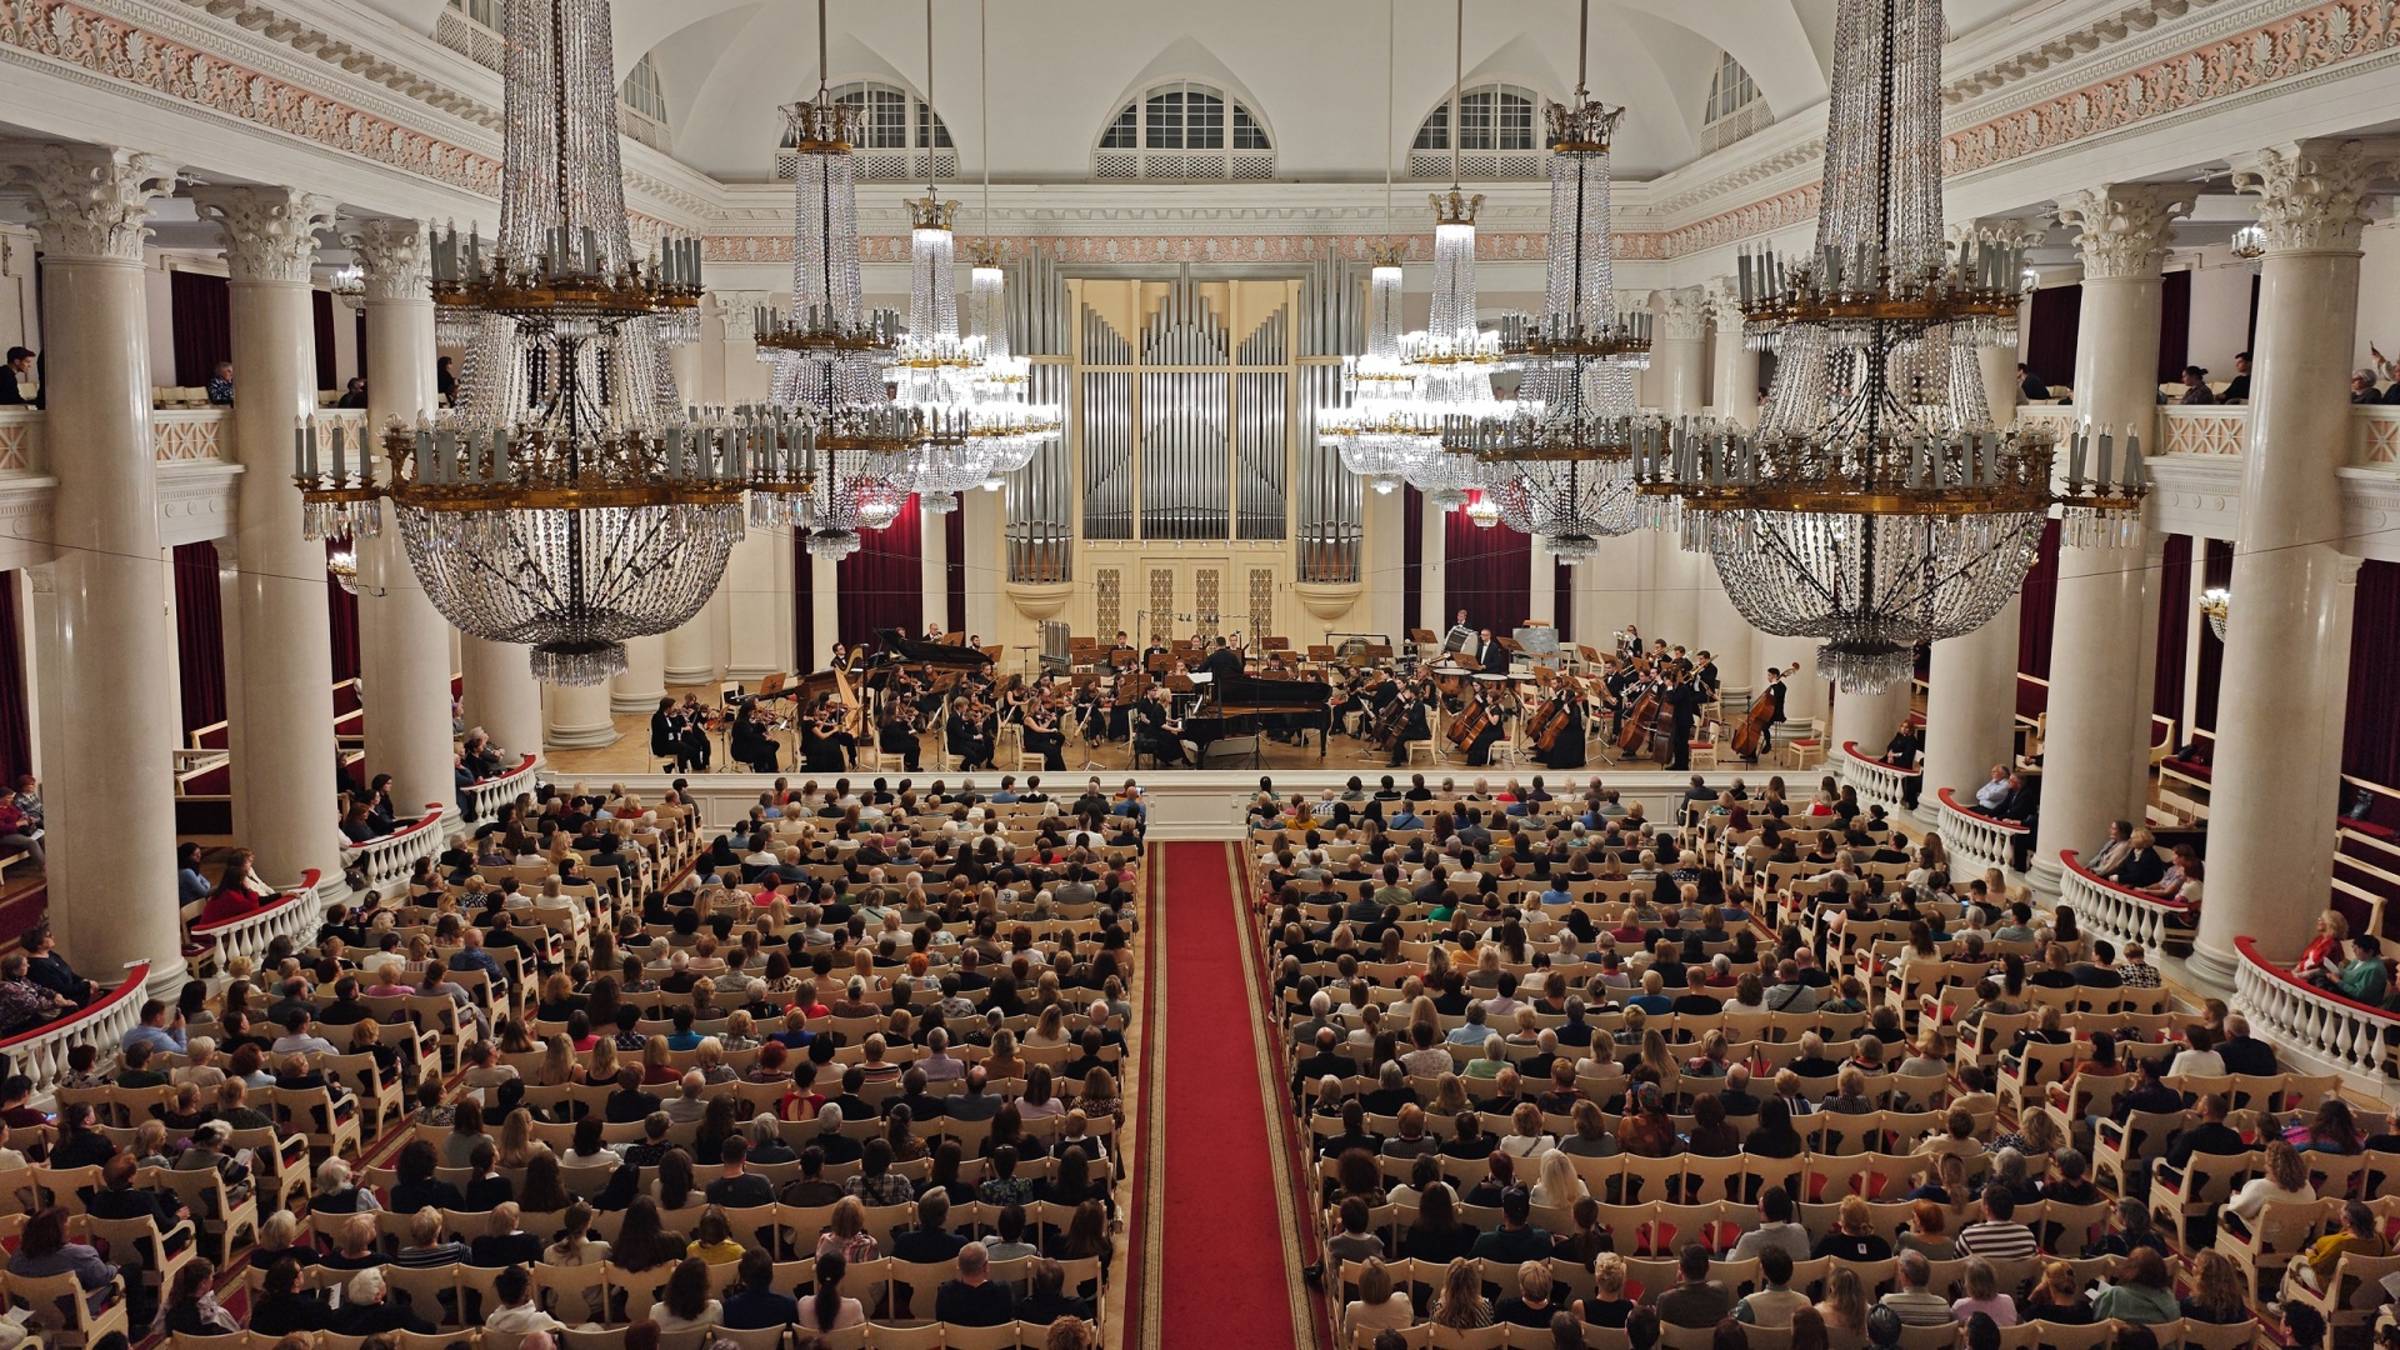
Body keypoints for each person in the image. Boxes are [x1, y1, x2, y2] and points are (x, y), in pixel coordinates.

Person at [934, 1243, 1015, 1327]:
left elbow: (940, 1322)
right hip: (995, 1336)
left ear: (959, 1266)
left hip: (957, 1336)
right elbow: (1008, 1318)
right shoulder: (1003, 1292)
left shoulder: (946, 1293)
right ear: (986, 1266)